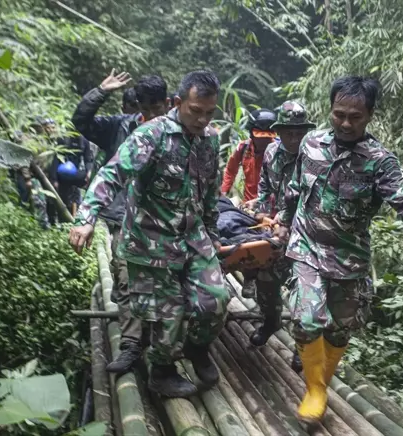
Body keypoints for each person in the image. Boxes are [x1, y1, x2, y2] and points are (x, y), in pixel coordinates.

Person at [273, 76, 403, 425]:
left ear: (369, 115)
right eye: (338, 114)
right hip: (307, 247)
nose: (344, 122)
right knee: (307, 319)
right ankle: (314, 390)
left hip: (349, 256)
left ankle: (322, 383)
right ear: (330, 110)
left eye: (354, 117)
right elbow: (295, 189)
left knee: (340, 330)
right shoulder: (312, 144)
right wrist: (283, 219)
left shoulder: (379, 161)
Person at [69, 70, 229, 398]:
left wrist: (211, 231)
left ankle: (198, 348)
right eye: (195, 111)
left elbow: (211, 188)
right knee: (167, 315)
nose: (201, 119)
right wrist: (86, 218)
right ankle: (163, 373)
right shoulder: (152, 134)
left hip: (192, 235)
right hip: (151, 238)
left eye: (209, 112)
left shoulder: (210, 139)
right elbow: (112, 174)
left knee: (216, 301)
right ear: (177, 103)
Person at [72, 71, 169, 375]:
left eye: (159, 107)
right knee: (126, 278)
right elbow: (81, 122)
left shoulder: (179, 132)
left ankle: (163, 343)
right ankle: (131, 344)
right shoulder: (119, 127)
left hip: (166, 221)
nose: (154, 114)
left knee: (165, 281)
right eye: (147, 108)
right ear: (138, 106)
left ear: (168, 103)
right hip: (125, 217)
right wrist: (100, 91)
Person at [249, 101, 315, 373]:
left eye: (299, 132)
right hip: (276, 230)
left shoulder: (316, 156)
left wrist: (291, 224)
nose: (294, 137)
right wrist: (262, 216)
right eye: (289, 131)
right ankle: (271, 321)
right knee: (266, 282)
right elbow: (265, 189)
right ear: (279, 131)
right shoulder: (273, 152)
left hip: (307, 234)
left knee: (303, 291)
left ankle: (303, 347)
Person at [221, 108, 277, 299]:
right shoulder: (243, 149)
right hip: (248, 206)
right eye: (260, 136)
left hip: (272, 207)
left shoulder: (278, 151)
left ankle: (262, 284)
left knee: (266, 245)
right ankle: (248, 278)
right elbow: (230, 170)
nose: (263, 140)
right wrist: (222, 194)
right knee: (245, 239)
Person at [49, 132, 93, 217]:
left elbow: (88, 159)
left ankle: (84, 212)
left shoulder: (84, 141)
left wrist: (89, 172)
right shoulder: (62, 139)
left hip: (74, 172)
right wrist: (54, 179)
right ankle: (56, 219)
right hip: (61, 173)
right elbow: (55, 159)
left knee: (90, 180)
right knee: (59, 197)